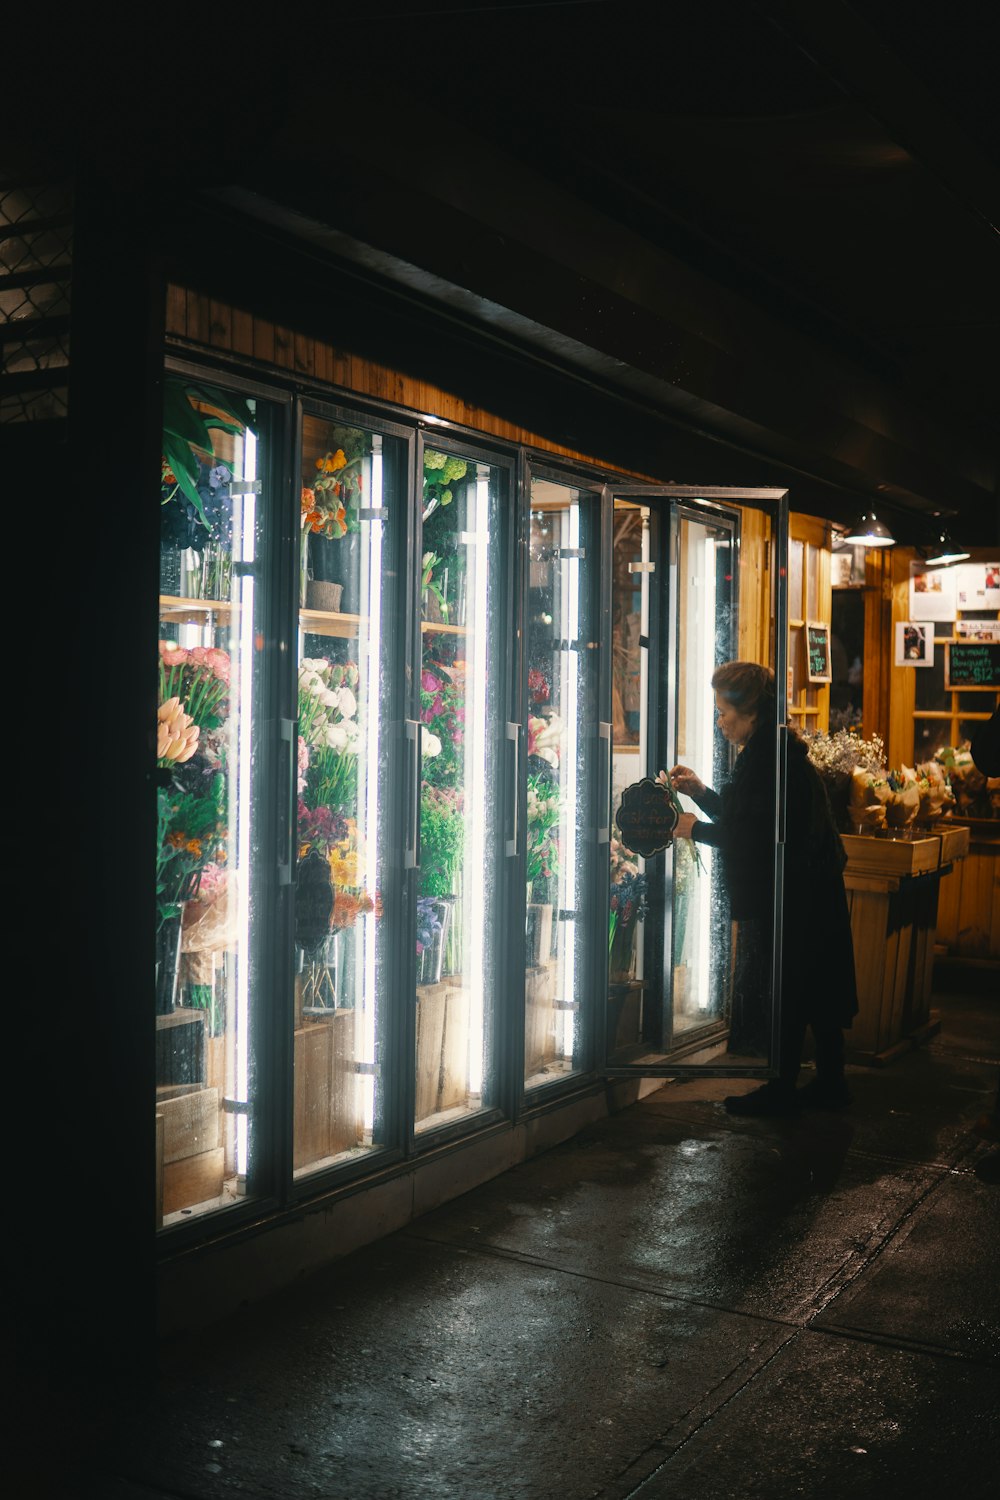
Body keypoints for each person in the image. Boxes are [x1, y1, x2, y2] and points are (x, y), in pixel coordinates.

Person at [667, 661, 858, 1116]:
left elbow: (748, 837)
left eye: (723, 713)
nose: (719, 722)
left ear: (749, 712)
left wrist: (691, 828)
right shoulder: (774, 752)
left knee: (790, 991)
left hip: (795, 897)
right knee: (811, 990)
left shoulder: (768, 761)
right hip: (809, 891)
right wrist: (700, 792)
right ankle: (828, 1082)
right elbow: (748, 820)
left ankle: (782, 1088)